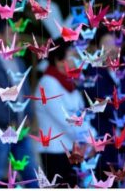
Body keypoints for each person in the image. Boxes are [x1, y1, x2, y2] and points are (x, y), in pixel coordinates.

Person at [31, 40, 91, 188]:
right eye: (73, 56)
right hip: (54, 152)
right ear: (58, 60)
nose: (77, 61)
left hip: (73, 150)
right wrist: (87, 142)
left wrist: (92, 139)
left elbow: (83, 115)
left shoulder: (70, 83)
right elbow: (64, 120)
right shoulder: (47, 83)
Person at [0, 23, 32, 187]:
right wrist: (7, 120)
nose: (14, 38)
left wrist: (27, 116)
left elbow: (25, 91)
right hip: (2, 131)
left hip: (21, 130)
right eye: (10, 34)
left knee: (30, 172)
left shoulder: (19, 61)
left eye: (16, 34)